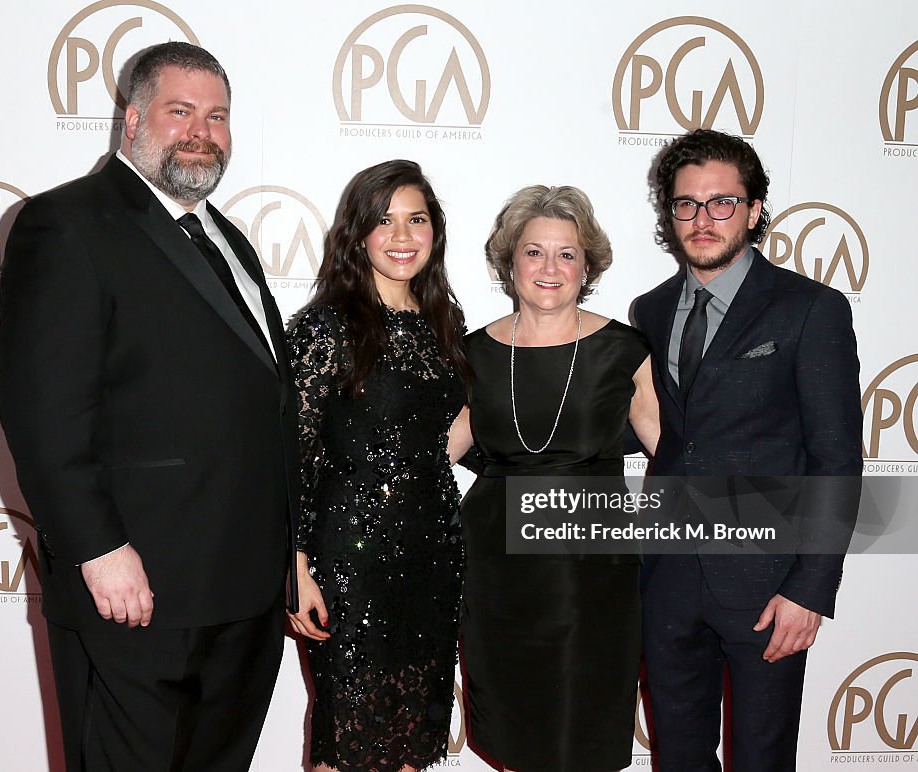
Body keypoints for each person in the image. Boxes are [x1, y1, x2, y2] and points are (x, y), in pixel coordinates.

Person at [0, 42, 298, 771]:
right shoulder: (64, 223)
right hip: (137, 591)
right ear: (132, 119)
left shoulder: (229, 240)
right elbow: (42, 410)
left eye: (217, 116)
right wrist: (98, 549)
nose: (202, 131)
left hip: (241, 593)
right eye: (180, 111)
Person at [632, 128, 863, 771]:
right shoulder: (648, 311)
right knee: (678, 757)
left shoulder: (809, 309)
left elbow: (837, 459)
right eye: (686, 204)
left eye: (721, 202)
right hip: (668, 579)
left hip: (767, 587)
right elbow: (654, 430)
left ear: (754, 209)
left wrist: (812, 587)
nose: (703, 219)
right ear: (669, 213)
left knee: (762, 760)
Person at [460, 185, 660, 772]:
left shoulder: (623, 349)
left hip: (592, 578)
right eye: (534, 252)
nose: (550, 268)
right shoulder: (472, 353)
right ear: (509, 261)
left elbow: (674, 456)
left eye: (567, 254)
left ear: (587, 264)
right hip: (498, 573)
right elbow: (430, 455)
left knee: (581, 726)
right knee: (516, 733)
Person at [285, 160, 469, 772]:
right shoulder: (325, 327)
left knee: (412, 743)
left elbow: (439, 441)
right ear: (357, 233)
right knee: (347, 744)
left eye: (416, 219)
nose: (402, 235)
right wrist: (297, 566)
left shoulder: (446, 324)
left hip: (432, 556)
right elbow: (296, 457)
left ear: (435, 231)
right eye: (383, 220)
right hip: (350, 561)